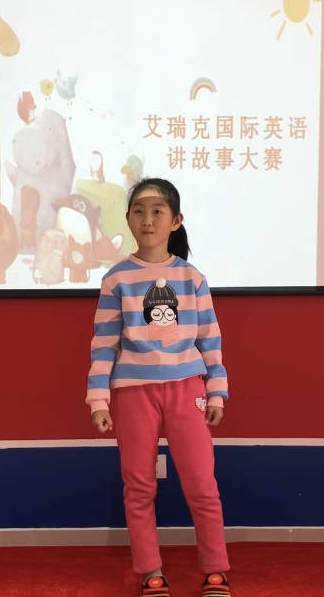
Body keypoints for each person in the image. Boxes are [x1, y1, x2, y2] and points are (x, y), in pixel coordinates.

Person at [85, 178, 232, 597]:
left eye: (157, 211)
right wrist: (98, 400)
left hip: (188, 390)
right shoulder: (116, 279)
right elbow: (103, 344)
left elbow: (210, 338)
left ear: (175, 220)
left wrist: (217, 391)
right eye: (138, 211)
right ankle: (151, 572)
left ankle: (216, 571)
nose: (147, 220)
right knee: (138, 487)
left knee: (202, 485)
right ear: (128, 220)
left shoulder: (192, 277)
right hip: (134, 394)